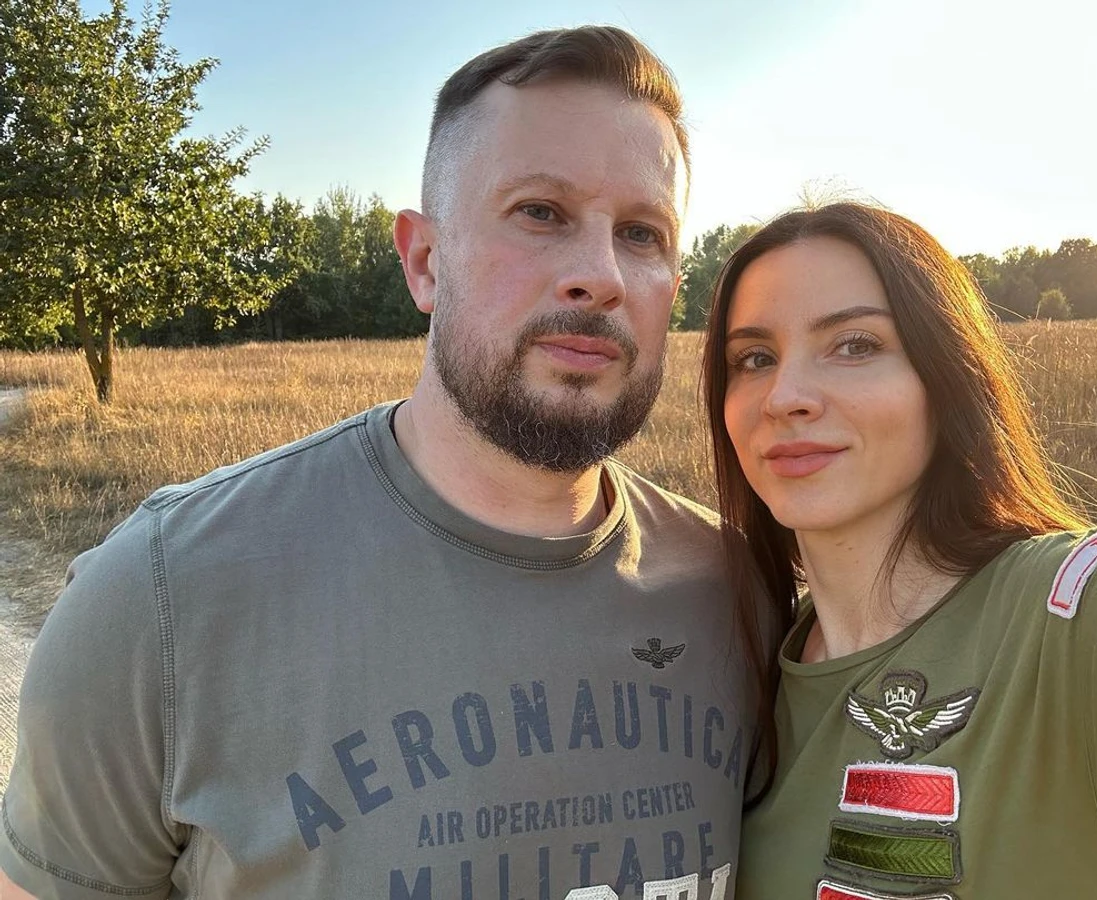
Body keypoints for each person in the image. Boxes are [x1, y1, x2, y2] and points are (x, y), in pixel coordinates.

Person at [0, 27, 754, 900]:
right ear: (425, 262)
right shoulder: (163, 598)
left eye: (643, 233)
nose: (601, 274)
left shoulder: (745, 594)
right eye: (541, 213)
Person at [700, 202, 1097, 899]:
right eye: (754, 359)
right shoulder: (733, 671)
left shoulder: (1070, 614)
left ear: (946, 377)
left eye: (854, 345)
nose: (784, 396)